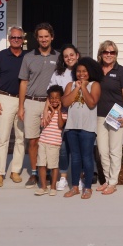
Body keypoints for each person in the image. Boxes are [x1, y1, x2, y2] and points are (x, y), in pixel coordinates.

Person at [17, 23, 59, 188]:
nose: (43, 39)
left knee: (50, 141)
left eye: (46, 36)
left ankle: (48, 171)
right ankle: (34, 172)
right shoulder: (28, 57)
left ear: (52, 37)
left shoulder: (59, 57)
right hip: (32, 102)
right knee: (33, 141)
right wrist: (21, 106)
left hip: (51, 105)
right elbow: (23, 82)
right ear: (37, 38)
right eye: (40, 36)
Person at [0, 26, 28, 187]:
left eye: (19, 38)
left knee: (20, 138)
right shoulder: (1, 56)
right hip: (5, 99)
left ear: (23, 40)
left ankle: (15, 170)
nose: (16, 40)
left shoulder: (28, 56)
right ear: (9, 38)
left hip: (24, 101)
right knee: (2, 138)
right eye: (13, 37)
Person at [61, 57, 102, 200]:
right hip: (72, 126)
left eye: (84, 71)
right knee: (75, 158)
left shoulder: (94, 85)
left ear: (90, 72)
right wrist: (77, 87)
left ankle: (88, 188)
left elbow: (91, 103)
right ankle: (74, 187)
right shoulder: (70, 85)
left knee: (87, 157)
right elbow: (65, 102)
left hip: (88, 127)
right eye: (78, 71)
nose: (81, 74)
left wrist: (84, 87)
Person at [95, 40, 123, 195]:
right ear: (101, 53)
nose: (109, 55)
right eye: (106, 52)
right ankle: (106, 180)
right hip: (99, 115)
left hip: (117, 115)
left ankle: (113, 182)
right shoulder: (96, 70)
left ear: (116, 55)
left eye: (112, 52)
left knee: (114, 150)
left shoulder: (121, 71)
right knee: (102, 150)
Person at [48, 44, 80, 191]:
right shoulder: (58, 74)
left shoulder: (83, 71)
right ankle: (63, 177)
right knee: (63, 148)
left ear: (77, 55)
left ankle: (78, 177)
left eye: (72, 55)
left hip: (80, 115)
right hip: (63, 114)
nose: (69, 58)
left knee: (77, 148)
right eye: (66, 56)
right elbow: (51, 93)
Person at [35, 85, 67, 196]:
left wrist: (58, 111)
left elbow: (60, 125)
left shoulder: (63, 112)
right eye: (52, 98)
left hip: (54, 142)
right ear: (48, 99)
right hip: (43, 141)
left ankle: (53, 186)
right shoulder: (45, 112)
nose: (54, 100)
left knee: (53, 165)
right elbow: (44, 124)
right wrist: (52, 111)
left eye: (57, 98)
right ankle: (43, 186)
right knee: (41, 164)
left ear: (61, 98)